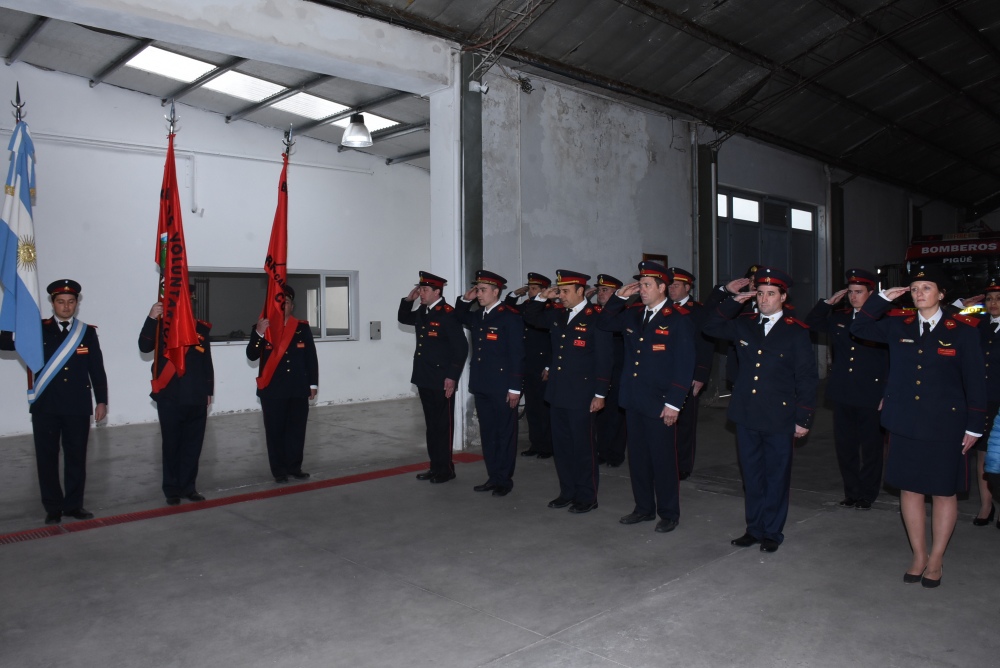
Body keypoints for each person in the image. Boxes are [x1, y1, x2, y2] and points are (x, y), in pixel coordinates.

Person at [851, 264, 986, 587]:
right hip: (904, 421)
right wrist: (881, 299)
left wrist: (975, 426)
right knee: (909, 489)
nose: (919, 293)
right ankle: (919, 554)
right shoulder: (899, 325)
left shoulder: (963, 329)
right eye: (914, 289)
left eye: (926, 288)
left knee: (942, 491)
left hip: (946, 425)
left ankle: (937, 558)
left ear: (941, 294)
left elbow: (975, 381)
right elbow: (860, 328)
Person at [703, 267, 817, 553]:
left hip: (779, 415)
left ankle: (772, 532)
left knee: (776, 475)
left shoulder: (796, 332)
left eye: (770, 294)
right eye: (760, 294)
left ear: (783, 297)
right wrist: (733, 300)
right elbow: (709, 326)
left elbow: (806, 376)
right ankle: (753, 528)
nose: (764, 300)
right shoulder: (744, 323)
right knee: (751, 474)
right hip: (747, 412)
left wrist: (803, 417)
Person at [598, 261, 697, 533]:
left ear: (662, 287)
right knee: (638, 458)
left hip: (661, 402)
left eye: (646, 285)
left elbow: (684, 363)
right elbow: (604, 323)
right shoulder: (632, 314)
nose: (641, 290)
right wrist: (618, 298)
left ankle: (668, 512)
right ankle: (643, 508)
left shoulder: (678, 319)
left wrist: (674, 403)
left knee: (663, 459)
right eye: (640, 285)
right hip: (633, 398)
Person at [0, 279, 108, 525]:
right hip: (46, 406)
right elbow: (4, 342)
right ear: (52, 303)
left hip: (77, 407)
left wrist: (101, 401)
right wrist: (14, 312)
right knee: (47, 458)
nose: (66, 306)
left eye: (71, 302)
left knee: (76, 457)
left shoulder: (87, 332)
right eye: (61, 302)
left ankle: (74, 505)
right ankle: (53, 507)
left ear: (77, 303)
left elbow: (96, 369)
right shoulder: (36, 329)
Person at [522, 270, 613, 513]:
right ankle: (567, 491)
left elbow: (605, 359)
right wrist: (542, 297)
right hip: (558, 392)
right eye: (559, 290)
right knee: (561, 447)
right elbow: (530, 316)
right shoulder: (557, 314)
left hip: (583, 395)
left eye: (565, 291)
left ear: (581, 291)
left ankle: (587, 496)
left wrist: (601, 394)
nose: (560, 296)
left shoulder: (596, 318)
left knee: (583, 448)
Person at [804, 269, 888, 510]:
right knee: (846, 447)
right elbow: (811, 323)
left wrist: (887, 391)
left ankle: (868, 494)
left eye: (859, 292)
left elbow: (892, 361)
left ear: (871, 294)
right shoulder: (840, 317)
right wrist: (826, 304)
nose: (853, 297)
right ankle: (851, 492)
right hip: (843, 393)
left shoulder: (883, 321)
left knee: (871, 448)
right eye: (850, 292)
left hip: (871, 395)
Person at [138, 297, 214, 505]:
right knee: (171, 444)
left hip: (196, 395)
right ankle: (171, 489)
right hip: (170, 395)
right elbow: (144, 346)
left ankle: (189, 487)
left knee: (193, 445)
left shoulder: (201, 328)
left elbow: (206, 361)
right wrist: (152, 318)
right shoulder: (162, 325)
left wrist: (209, 390)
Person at [455, 270, 525, 496]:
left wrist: (515, 388)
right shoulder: (478, 316)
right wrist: (465, 300)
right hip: (482, 384)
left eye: (483, 290)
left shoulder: (510, 316)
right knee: (488, 433)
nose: (478, 294)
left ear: (496, 292)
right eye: (477, 290)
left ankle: (504, 480)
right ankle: (493, 476)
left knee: (504, 434)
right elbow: (458, 316)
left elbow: (517, 354)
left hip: (503, 387)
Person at [397, 271, 468, 484]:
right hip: (424, 376)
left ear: (437, 291)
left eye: (425, 290)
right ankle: (434, 466)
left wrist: (452, 377)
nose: (421, 293)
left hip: (442, 380)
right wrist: (407, 300)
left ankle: (446, 469)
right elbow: (403, 317)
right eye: (420, 290)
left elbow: (461, 348)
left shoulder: (447, 313)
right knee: (431, 426)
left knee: (443, 426)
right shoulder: (422, 311)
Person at [246, 285, 319, 483]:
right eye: (279, 302)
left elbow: (310, 357)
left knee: (297, 430)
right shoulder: (263, 328)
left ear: (292, 306)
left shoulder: (301, 328)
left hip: (297, 388)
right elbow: (251, 355)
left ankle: (295, 467)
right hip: (273, 389)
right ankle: (279, 470)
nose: (282, 305)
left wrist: (313, 385)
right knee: (275, 431)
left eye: (286, 302)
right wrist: (259, 334)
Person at [666, 267, 715, 480]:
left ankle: (683, 465)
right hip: (664, 374)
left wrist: (701, 375)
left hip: (688, 375)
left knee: (685, 423)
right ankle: (665, 461)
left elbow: (705, 345)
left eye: (676, 285)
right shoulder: (663, 308)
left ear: (688, 287)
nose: (671, 289)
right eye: (669, 285)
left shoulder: (699, 311)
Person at [505, 273, 554, 459]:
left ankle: (547, 446)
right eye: (529, 288)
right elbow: (508, 308)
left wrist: (549, 366)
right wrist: (514, 294)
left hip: (542, 365)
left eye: (533, 288)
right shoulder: (526, 306)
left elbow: (554, 341)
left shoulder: (550, 309)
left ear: (544, 291)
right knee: (532, 407)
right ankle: (536, 443)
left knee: (543, 408)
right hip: (527, 363)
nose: (529, 292)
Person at [591, 274, 627, 467]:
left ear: (616, 294)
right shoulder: (595, 313)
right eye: (599, 290)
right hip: (600, 372)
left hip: (619, 370)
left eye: (605, 290)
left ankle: (615, 453)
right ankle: (602, 450)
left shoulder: (623, 314)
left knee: (617, 415)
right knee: (601, 415)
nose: (600, 293)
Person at [973, 279, 1000, 526]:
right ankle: (986, 506)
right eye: (989, 299)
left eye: (998, 299)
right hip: (984, 399)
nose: (993, 303)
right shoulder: (979, 326)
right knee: (982, 453)